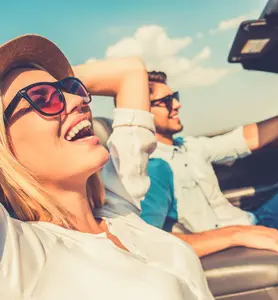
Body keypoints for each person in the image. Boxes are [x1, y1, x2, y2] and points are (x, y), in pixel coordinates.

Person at [0, 35, 214, 300]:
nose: (79, 101)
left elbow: (131, 72)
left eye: (72, 88)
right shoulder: (19, 255)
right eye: (43, 99)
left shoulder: (118, 205)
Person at [134, 70, 278, 256]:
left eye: (175, 97)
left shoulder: (190, 146)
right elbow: (151, 241)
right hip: (244, 243)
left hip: (255, 218)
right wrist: (234, 235)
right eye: (166, 101)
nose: (177, 105)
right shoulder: (153, 169)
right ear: (142, 113)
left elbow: (248, 138)